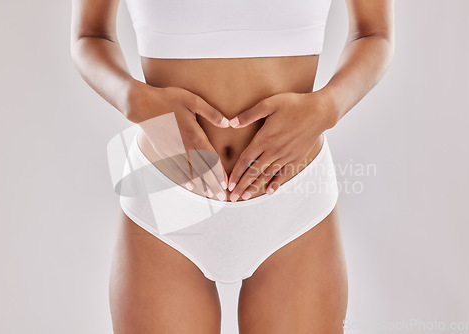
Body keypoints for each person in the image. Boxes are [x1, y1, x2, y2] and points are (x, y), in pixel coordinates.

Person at [71, 0, 395, 332]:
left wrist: (330, 105)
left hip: (292, 201)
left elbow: (374, 33)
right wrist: (133, 100)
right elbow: (89, 34)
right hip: (164, 196)